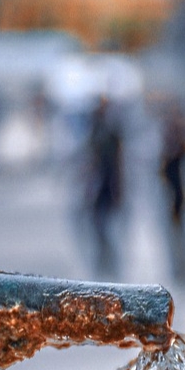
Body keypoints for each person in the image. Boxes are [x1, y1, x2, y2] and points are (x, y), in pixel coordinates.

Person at [81, 96, 125, 280]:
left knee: (105, 227)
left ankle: (109, 263)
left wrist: (119, 189)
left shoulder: (111, 134)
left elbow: (117, 163)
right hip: (98, 187)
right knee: (98, 227)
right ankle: (104, 262)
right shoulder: (94, 132)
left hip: (107, 186)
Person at [159, 101, 185, 286]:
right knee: (176, 238)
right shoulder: (172, 150)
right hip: (174, 199)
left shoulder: (180, 151)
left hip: (179, 200)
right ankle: (181, 271)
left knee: (181, 237)